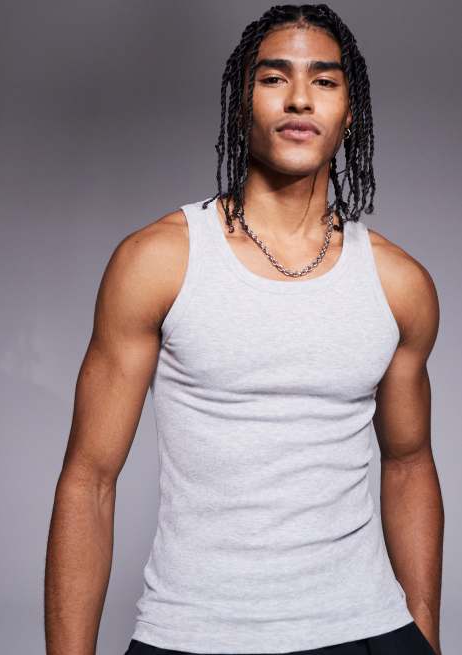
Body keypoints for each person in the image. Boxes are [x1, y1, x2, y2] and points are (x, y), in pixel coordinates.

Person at [44, 4, 444, 655]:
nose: (298, 98)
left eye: (323, 80)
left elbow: (408, 465)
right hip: (195, 633)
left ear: (349, 111)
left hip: (366, 628)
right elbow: (88, 480)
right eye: (273, 78)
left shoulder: (399, 283)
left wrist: (423, 636)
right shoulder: (159, 261)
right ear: (240, 105)